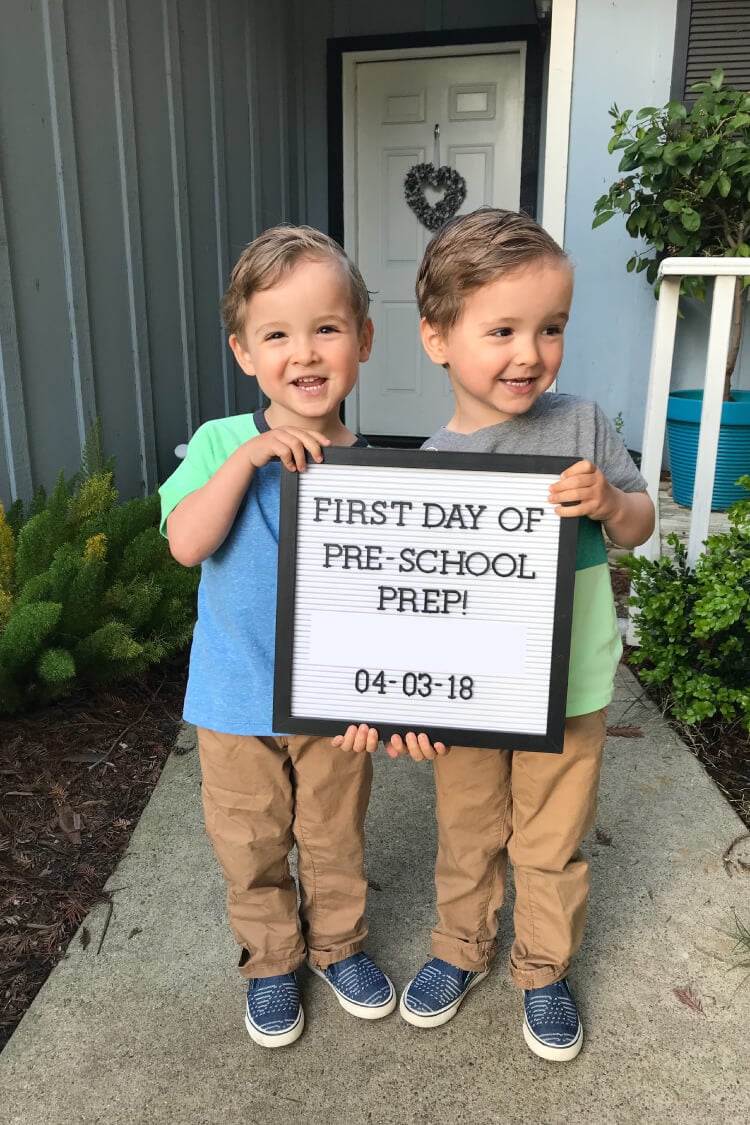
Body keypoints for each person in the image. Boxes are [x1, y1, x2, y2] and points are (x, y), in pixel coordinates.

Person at [336, 207, 654, 1061]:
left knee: (550, 838)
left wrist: (610, 503)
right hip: (467, 695)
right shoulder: (429, 466)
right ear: (438, 339)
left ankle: (543, 968)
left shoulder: (582, 424)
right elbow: (407, 603)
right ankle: (460, 946)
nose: (530, 353)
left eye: (550, 329)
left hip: (570, 685)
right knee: (469, 827)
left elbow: (639, 524)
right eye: (503, 329)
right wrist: (402, 698)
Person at [159, 225, 396, 1048]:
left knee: (334, 833)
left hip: (332, 701)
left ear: (362, 339)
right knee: (251, 840)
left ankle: (338, 944)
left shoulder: (377, 469)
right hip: (233, 696)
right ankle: (269, 960)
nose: (305, 352)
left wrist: (387, 692)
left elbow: (392, 599)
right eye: (277, 334)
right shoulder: (222, 443)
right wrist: (250, 457)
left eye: (327, 327)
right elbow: (187, 542)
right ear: (243, 351)